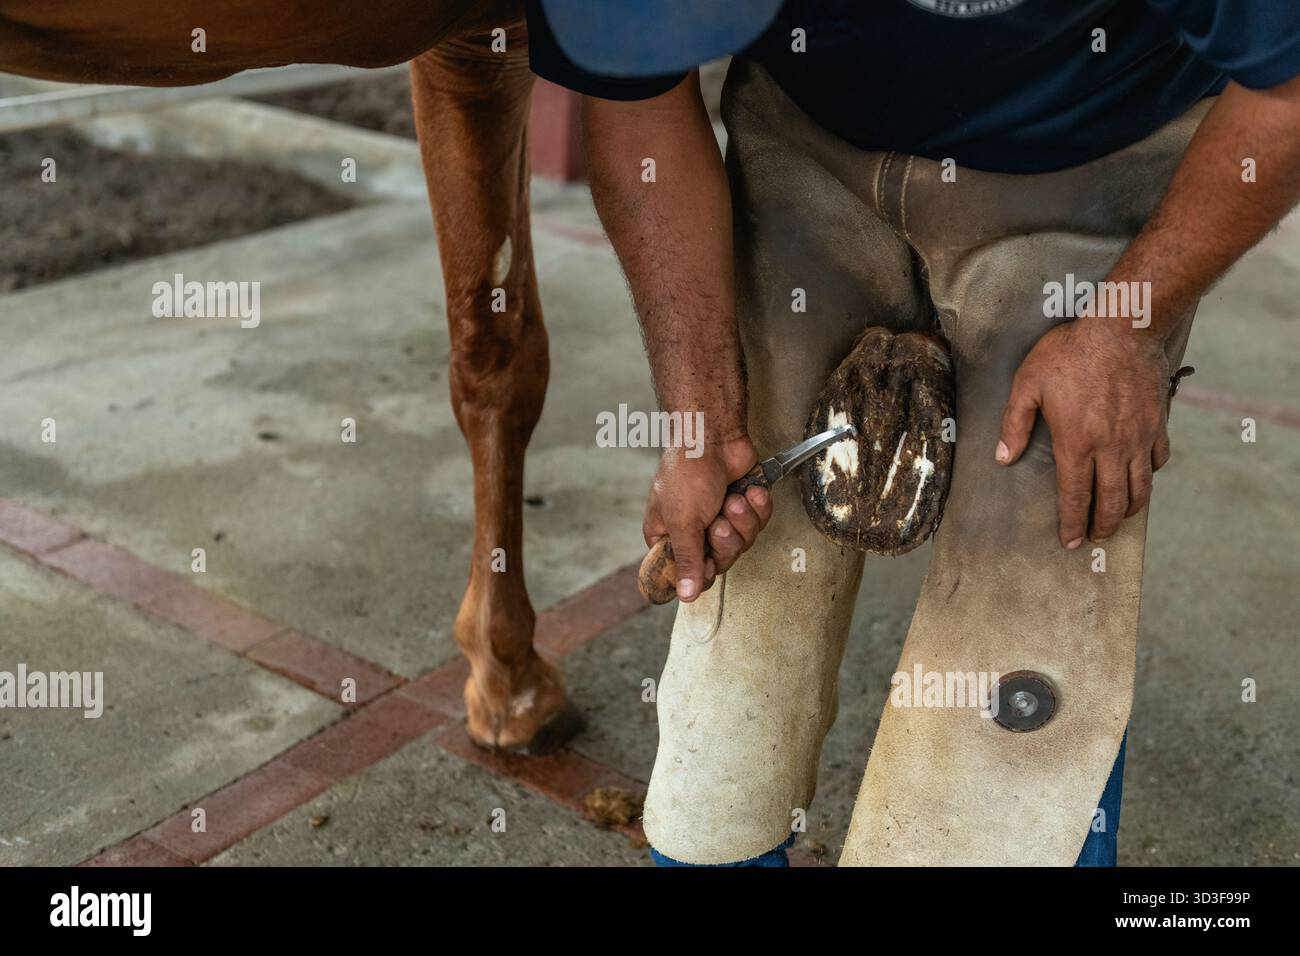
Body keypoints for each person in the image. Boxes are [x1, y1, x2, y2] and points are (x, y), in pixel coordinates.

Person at [526, 0, 1300, 866]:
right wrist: (699, 417)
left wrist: (1129, 327)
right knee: (740, 636)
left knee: (1025, 637)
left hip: (1089, 154)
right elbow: (634, 97)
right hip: (806, 136)